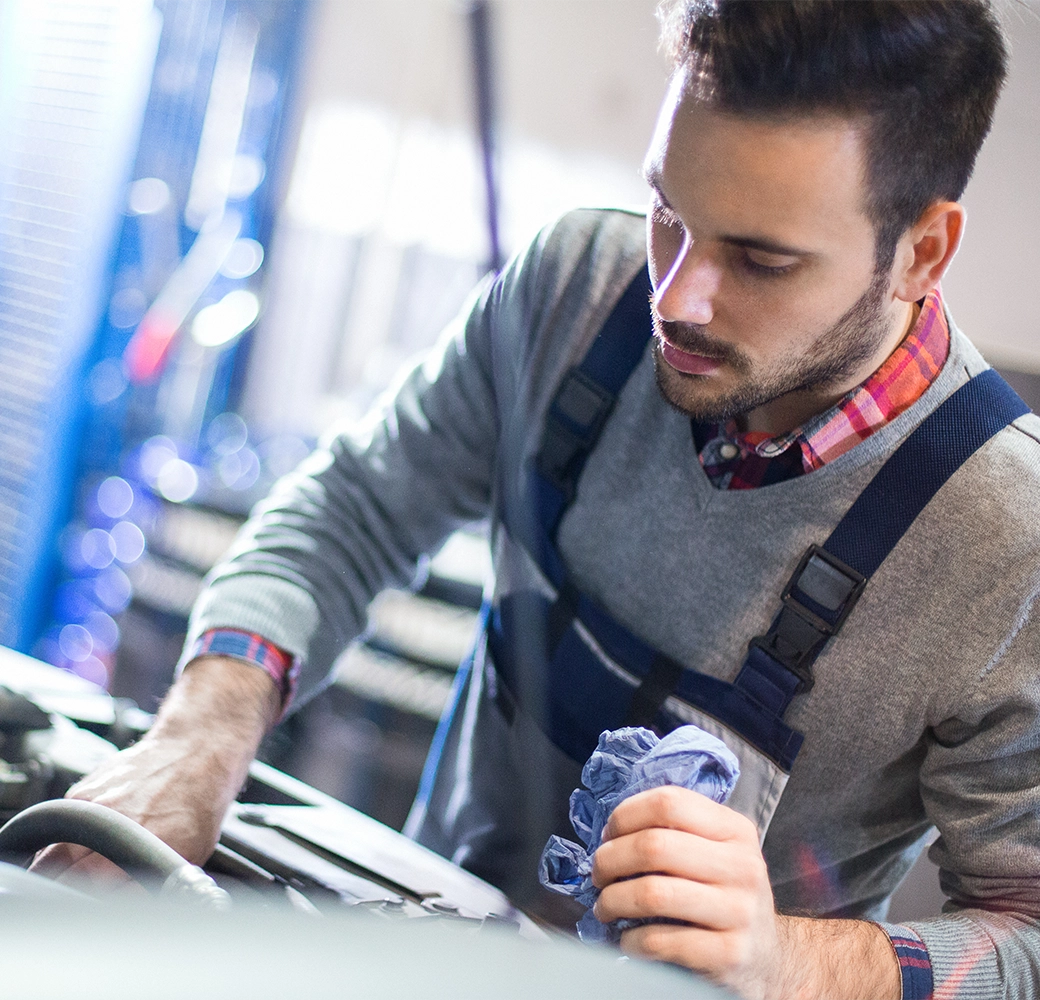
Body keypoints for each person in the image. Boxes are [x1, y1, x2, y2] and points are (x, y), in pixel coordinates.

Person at [35, 0, 1040, 997]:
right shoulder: (575, 291)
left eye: (759, 259)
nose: (677, 298)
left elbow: (1025, 936)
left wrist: (784, 959)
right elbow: (353, 508)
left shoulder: (1003, 536)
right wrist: (198, 739)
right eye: (666, 214)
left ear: (921, 251)